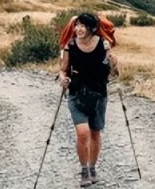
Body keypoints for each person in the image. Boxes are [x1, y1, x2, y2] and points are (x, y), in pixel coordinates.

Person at [59, 12, 119, 187]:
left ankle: (92, 168)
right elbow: (63, 69)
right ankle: (84, 171)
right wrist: (63, 78)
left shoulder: (104, 45)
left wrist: (114, 63)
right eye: (77, 25)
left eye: (82, 25)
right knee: (83, 133)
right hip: (76, 94)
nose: (78, 29)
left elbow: (115, 74)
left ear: (92, 28)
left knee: (95, 133)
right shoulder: (70, 46)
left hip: (99, 95)